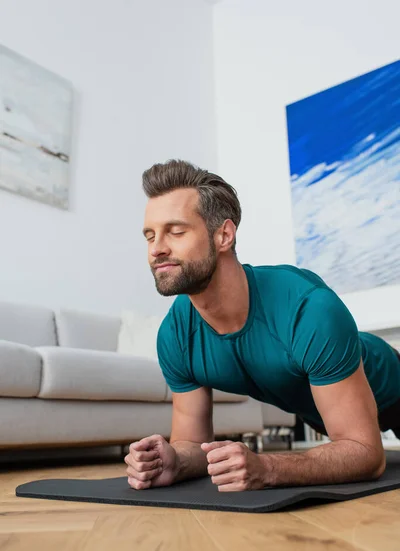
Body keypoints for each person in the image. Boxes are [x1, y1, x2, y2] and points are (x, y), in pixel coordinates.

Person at [124, 159, 400, 492]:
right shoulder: (175, 335)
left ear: (224, 235)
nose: (156, 249)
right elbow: (192, 443)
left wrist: (266, 466)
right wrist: (174, 460)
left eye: (176, 231)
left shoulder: (309, 308)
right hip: (327, 416)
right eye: (150, 236)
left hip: (392, 390)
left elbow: (367, 454)